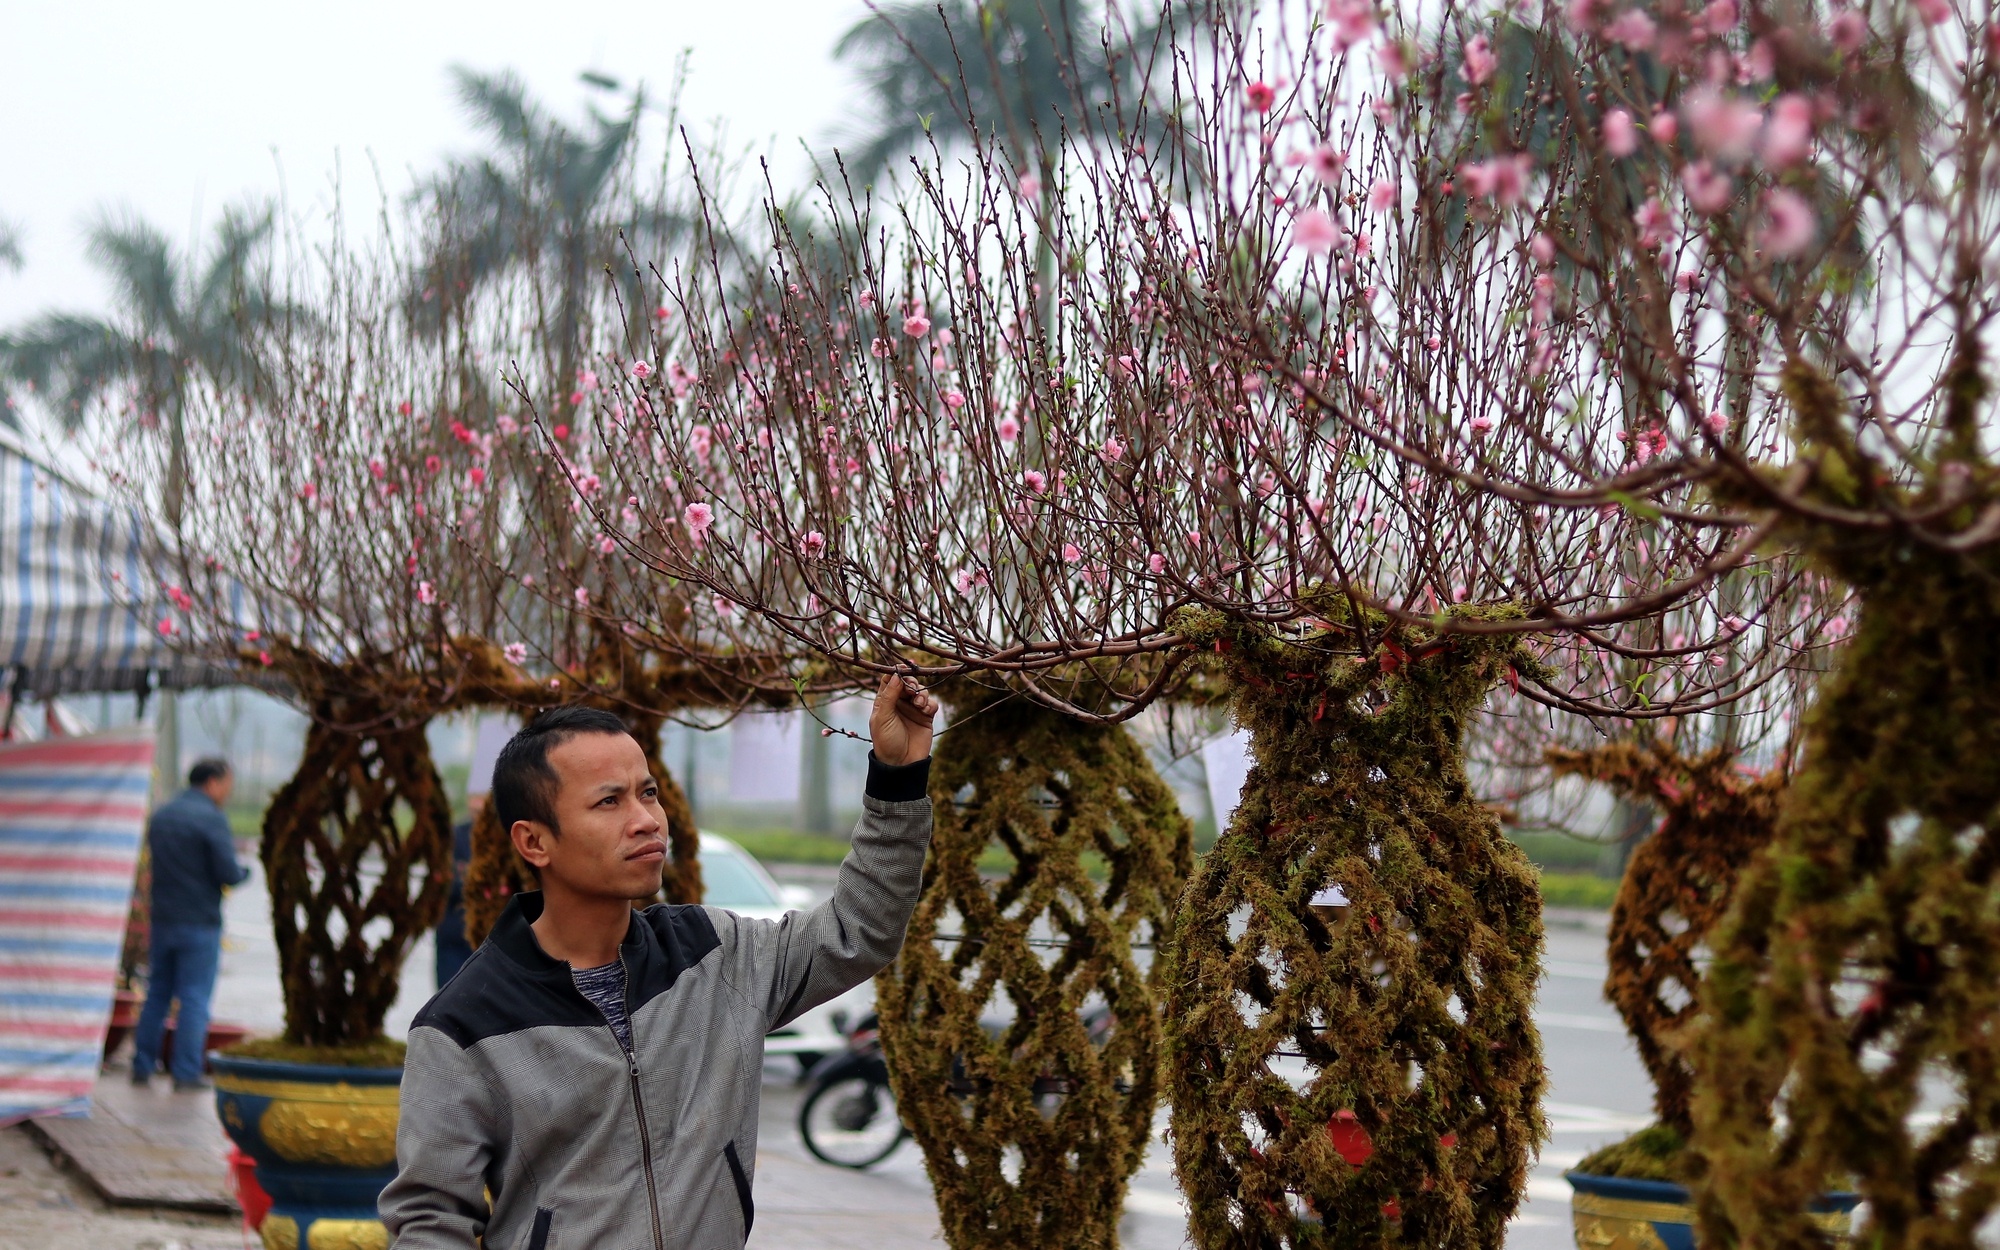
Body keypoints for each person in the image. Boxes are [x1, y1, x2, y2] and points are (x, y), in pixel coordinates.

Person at [381, 673, 939, 1250]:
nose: (647, 819)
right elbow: (431, 1224)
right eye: (608, 801)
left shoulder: (714, 956)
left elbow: (858, 933)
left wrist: (897, 780)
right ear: (534, 842)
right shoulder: (463, 1026)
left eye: (647, 792)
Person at [131, 758, 250, 1091]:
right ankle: (185, 1073)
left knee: (157, 993)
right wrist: (245, 874)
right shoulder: (212, 819)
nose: (228, 791)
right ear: (213, 782)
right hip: (199, 922)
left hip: (163, 919)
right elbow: (228, 872)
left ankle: (142, 1065)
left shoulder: (163, 815)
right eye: (228, 783)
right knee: (195, 999)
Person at [432, 797, 478, 989]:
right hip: (452, 939)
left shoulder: (506, 840)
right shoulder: (453, 837)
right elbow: (441, 884)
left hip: (489, 942)